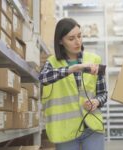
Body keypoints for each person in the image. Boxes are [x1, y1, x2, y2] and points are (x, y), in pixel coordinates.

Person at [39, 18, 107, 150]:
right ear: (60, 41)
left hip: (92, 127)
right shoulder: (52, 62)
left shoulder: (94, 60)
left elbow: (103, 93)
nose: (78, 42)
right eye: (71, 38)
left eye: (79, 36)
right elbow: (43, 78)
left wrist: (97, 102)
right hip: (65, 131)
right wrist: (74, 68)